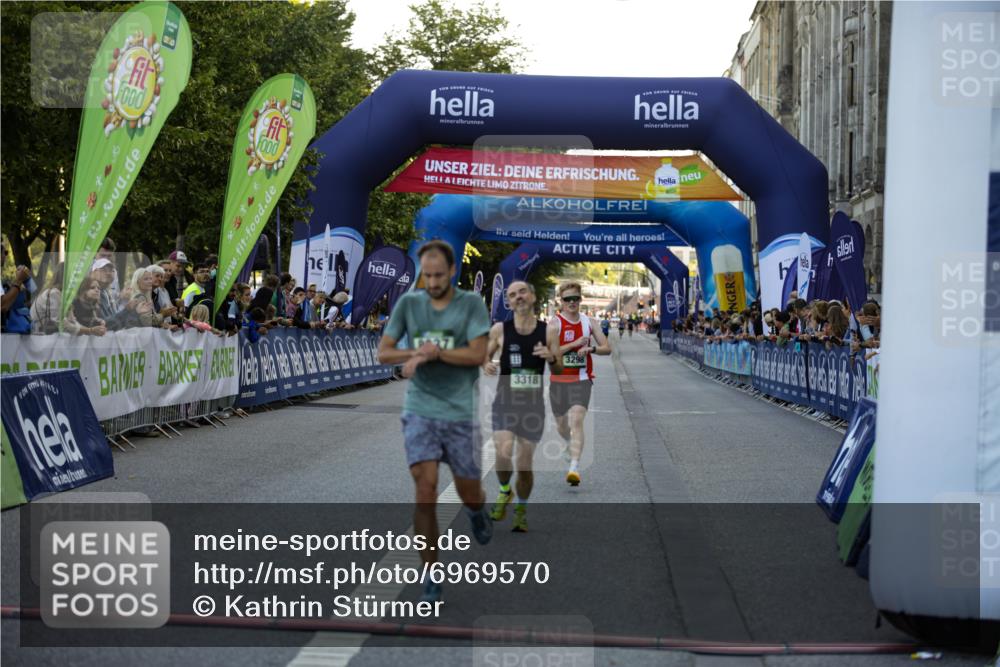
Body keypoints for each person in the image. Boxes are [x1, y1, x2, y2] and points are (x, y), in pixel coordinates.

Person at [377, 240, 493, 604]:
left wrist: (436, 353)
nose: (432, 281)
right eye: (426, 275)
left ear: (453, 271)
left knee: (468, 490)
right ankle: (431, 574)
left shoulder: (471, 305)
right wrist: (417, 352)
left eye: (438, 275)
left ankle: (476, 511)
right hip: (420, 410)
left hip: (459, 411)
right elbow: (384, 352)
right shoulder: (410, 303)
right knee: (425, 491)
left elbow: (477, 354)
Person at [483, 281, 562, 533]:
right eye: (512, 295)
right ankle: (505, 491)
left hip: (532, 407)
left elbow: (559, 368)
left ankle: (521, 508)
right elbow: (483, 355)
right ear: (508, 301)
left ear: (533, 296)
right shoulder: (499, 329)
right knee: (503, 453)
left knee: (525, 465)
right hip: (505, 402)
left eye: (522, 292)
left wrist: (551, 359)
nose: (518, 297)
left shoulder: (548, 331)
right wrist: (486, 364)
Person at [550, 282, 611, 486]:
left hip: (582, 379)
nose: (572, 302)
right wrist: (574, 345)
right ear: (561, 301)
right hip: (558, 380)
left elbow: (607, 348)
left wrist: (591, 350)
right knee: (561, 425)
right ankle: (568, 443)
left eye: (575, 298)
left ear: (580, 299)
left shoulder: (590, 323)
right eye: (567, 299)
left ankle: (574, 468)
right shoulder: (554, 324)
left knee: (576, 420)